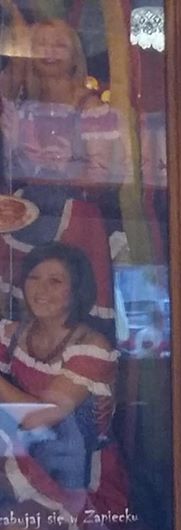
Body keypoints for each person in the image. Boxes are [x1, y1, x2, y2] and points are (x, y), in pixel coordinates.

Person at [0, 5, 126, 326]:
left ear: (75, 56)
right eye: (41, 44)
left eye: (59, 45)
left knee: (67, 315)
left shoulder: (91, 108)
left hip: (76, 219)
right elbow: (17, 169)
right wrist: (14, 147)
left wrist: (65, 168)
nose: (49, 51)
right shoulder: (25, 104)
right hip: (27, 211)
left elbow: (105, 177)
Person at [0, 240, 127, 530]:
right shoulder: (13, 334)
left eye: (55, 281)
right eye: (34, 278)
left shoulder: (92, 347)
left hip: (74, 481)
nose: (40, 289)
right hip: (16, 460)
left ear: (76, 289)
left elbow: (40, 417)